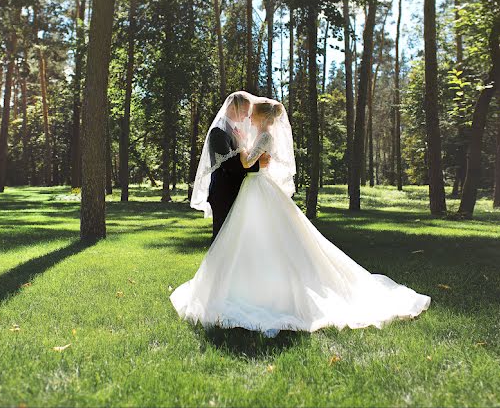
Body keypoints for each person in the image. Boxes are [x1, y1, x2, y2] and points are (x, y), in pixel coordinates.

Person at [174, 94, 430, 336]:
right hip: (243, 189)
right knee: (242, 237)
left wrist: (247, 156)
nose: (248, 117)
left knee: (257, 237)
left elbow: (245, 162)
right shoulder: (227, 133)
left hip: (254, 189)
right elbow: (242, 163)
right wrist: (249, 157)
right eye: (246, 112)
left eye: (252, 114)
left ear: (261, 117)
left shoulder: (262, 136)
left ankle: (250, 288)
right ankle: (232, 285)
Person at [190, 91, 270, 242]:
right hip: (223, 193)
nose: (247, 116)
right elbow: (228, 165)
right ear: (233, 107)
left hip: (236, 191)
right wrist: (257, 166)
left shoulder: (233, 130)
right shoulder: (218, 132)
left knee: (235, 241)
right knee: (221, 239)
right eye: (245, 111)